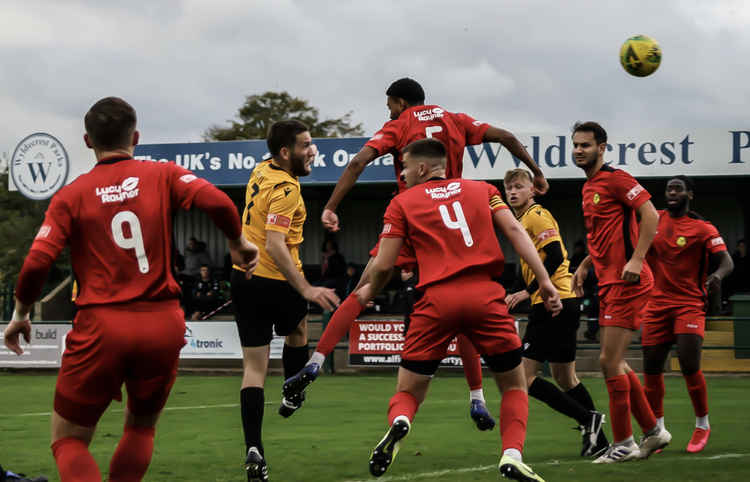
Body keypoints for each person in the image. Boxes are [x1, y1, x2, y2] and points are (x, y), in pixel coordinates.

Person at [2, 97, 259, 482]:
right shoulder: (163, 174)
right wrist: (238, 242)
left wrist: (21, 314)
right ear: (136, 136)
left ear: (88, 141)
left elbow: (37, 263)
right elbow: (218, 202)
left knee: (68, 440)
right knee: (140, 427)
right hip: (161, 323)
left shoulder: (71, 196)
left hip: (102, 327)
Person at [285, 78, 550, 428]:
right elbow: (506, 137)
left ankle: (316, 361)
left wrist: (332, 206)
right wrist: (536, 171)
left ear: (399, 102)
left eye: (389, 105)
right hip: (456, 226)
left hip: (414, 218)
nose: (388, 111)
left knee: (365, 287)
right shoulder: (457, 120)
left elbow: (358, 162)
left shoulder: (399, 124)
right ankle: (477, 398)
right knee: (467, 308)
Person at [359, 139, 561, 480]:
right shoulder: (482, 190)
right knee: (513, 386)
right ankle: (511, 454)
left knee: (408, 390)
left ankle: (401, 420)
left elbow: (383, 266)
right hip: (485, 297)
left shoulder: (402, 202)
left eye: (404, 167)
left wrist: (364, 294)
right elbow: (514, 230)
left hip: (435, 300)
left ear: (422, 168)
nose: (403, 175)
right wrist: (544, 281)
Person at [230, 120, 340, 481]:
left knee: (253, 369)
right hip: (276, 279)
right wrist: (306, 289)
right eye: (306, 145)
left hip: (243, 276)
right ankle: (293, 391)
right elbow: (276, 244)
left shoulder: (260, 170)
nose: (312, 151)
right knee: (298, 331)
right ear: (284, 152)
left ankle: (254, 449)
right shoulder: (288, 189)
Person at [571, 121, 671, 463]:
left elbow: (651, 215)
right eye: (576, 145)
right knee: (618, 363)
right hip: (609, 283)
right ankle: (654, 432)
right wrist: (585, 265)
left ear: (602, 147)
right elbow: (604, 236)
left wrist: (637, 259)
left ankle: (625, 442)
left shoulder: (616, 179)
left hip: (628, 281)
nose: (579, 150)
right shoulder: (589, 187)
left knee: (608, 361)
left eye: (585, 145)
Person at [503, 169, 608, 458]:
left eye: (518, 187)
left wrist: (530, 290)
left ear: (532, 191)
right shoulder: (521, 219)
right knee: (565, 377)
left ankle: (589, 420)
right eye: (508, 188)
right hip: (560, 300)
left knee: (524, 378)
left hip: (554, 300)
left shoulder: (536, 215)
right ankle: (599, 440)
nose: (512, 192)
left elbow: (556, 255)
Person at [641, 176, 733, 453]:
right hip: (656, 304)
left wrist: (716, 276)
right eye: (669, 188)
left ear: (689, 195)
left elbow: (726, 261)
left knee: (689, 362)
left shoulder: (703, 228)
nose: (672, 192)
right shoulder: (653, 219)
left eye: (678, 189)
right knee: (652, 366)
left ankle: (702, 424)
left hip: (688, 304)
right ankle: (657, 431)